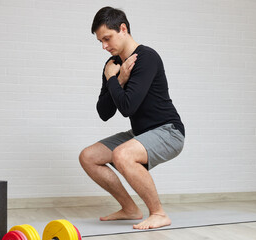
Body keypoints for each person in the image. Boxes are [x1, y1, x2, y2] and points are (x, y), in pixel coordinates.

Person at [79, 6, 185, 230]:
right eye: (100, 41)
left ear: (123, 29)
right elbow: (104, 113)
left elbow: (127, 107)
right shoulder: (112, 67)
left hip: (169, 131)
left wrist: (114, 81)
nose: (104, 46)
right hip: (141, 133)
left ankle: (158, 213)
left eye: (107, 38)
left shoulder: (147, 58)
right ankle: (129, 209)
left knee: (122, 155)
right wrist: (117, 79)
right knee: (88, 156)